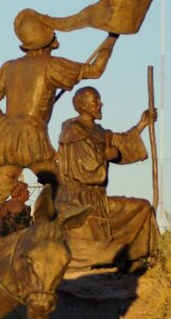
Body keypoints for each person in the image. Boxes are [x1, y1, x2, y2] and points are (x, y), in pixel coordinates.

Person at [0, 9, 117, 227]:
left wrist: (5, 124)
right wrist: (111, 39)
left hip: (6, 139)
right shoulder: (50, 66)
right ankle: (52, 231)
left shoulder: (9, 67)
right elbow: (95, 71)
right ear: (47, 40)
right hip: (33, 138)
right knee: (59, 185)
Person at [56, 87, 158, 274]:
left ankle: (136, 258)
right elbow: (86, 169)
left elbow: (121, 142)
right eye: (96, 101)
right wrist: (106, 155)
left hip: (99, 198)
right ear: (83, 105)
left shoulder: (100, 131)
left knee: (142, 207)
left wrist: (142, 124)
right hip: (78, 200)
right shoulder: (73, 131)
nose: (101, 104)